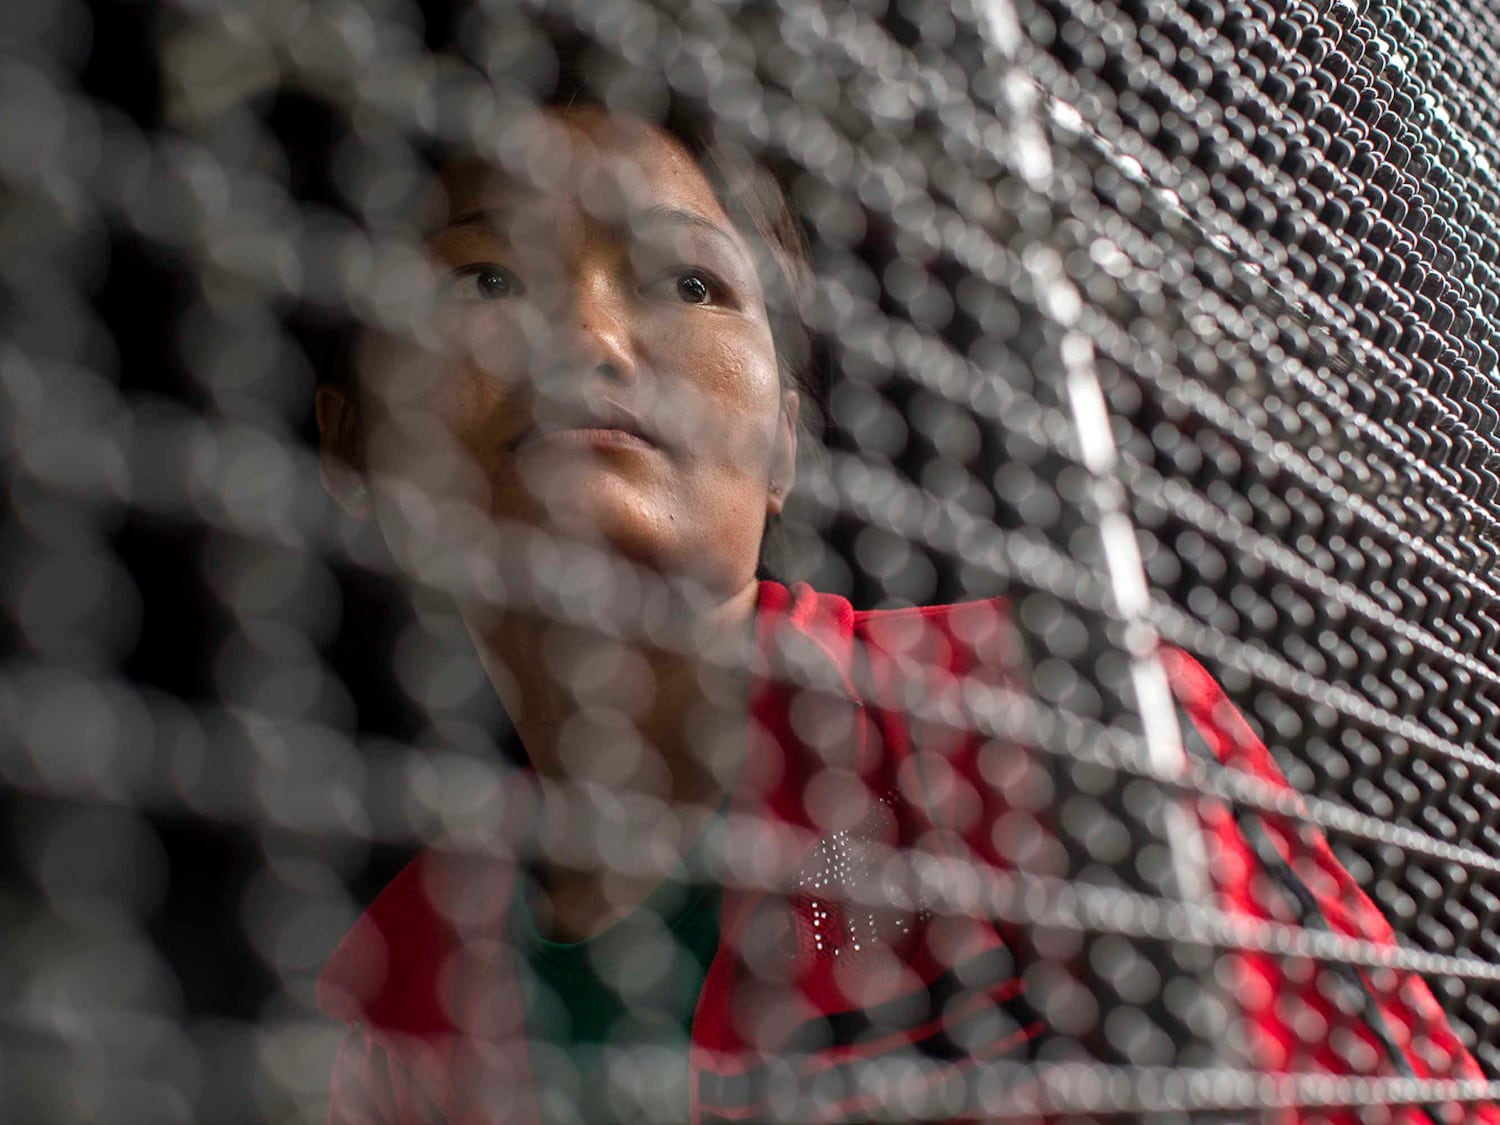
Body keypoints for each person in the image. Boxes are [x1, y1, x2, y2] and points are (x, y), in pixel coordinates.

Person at [308, 58, 1498, 1125]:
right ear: (352, 452)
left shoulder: (1047, 715)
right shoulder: (382, 998)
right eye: (483, 281)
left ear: (784, 444)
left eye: (686, 283)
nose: (593, 339)